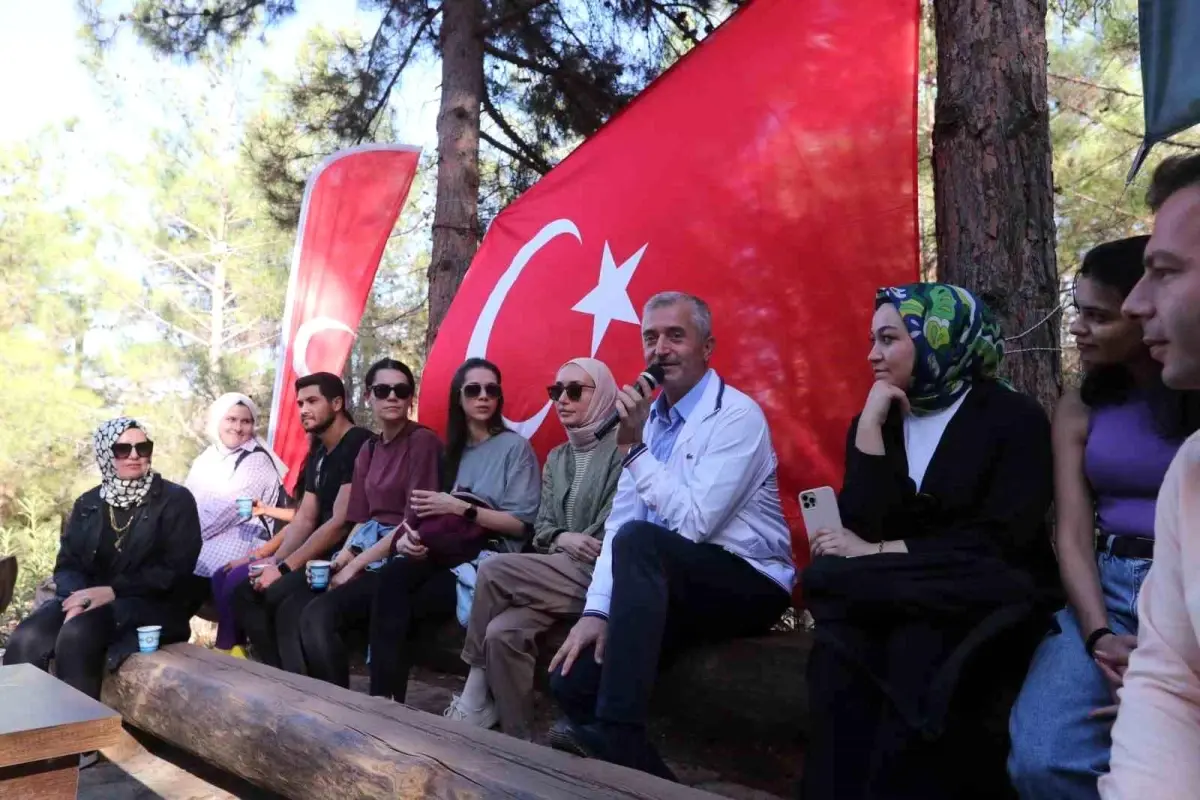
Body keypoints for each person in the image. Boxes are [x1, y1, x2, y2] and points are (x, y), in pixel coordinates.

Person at [800, 283, 1059, 800]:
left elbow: (998, 542)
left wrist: (873, 554)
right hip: (903, 590)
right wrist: (872, 427)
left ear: (937, 337)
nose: (873, 354)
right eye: (872, 339)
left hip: (981, 587)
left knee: (913, 643)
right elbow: (866, 524)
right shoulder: (878, 419)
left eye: (889, 339)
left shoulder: (1013, 418)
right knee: (835, 641)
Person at [545, 292, 795, 779]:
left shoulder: (736, 416)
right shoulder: (652, 419)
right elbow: (620, 521)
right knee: (569, 680)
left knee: (642, 540)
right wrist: (596, 612)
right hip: (670, 582)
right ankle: (644, 777)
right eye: (651, 337)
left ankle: (621, 732)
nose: (661, 349)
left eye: (676, 336)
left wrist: (634, 450)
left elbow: (695, 524)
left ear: (707, 347)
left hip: (747, 579)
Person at [1008, 237, 1200, 798]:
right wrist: (1097, 635)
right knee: (1042, 759)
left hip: (1187, 586)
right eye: (1078, 313)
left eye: (1098, 316)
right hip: (1106, 591)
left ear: (1146, 313)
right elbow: (1071, 532)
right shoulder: (1080, 403)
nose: (1077, 329)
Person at [444, 357, 623, 738]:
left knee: (494, 569)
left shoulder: (622, 452)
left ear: (604, 394)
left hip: (599, 579)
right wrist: (561, 538)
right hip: (555, 572)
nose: (562, 400)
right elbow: (542, 527)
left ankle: (473, 690)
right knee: (501, 635)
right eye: (556, 391)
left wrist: (570, 541)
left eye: (574, 391)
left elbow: (611, 529)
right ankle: (518, 742)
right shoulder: (558, 457)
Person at [1100, 156, 1200, 799]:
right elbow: (1170, 681)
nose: (1135, 305)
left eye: (1163, 272)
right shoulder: (1192, 470)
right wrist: (1095, 631)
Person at [368, 357, 540, 702]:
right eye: (473, 389)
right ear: (459, 398)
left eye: (492, 389)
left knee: (413, 607)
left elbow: (521, 525)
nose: (483, 396)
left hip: (488, 559)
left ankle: (391, 704)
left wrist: (461, 508)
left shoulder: (514, 448)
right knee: (391, 578)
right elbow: (429, 515)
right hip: (445, 551)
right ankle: (380, 701)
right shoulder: (452, 454)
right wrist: (411, 542)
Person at [3, 418, 201, 700]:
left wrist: (110, 592)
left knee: (77, 635)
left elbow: (175, 570)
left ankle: (77, 739)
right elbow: (68, 563)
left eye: (142, 447)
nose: (134, 455)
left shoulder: (175, 500)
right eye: (123, 449)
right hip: (87, 598)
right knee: (27, 637)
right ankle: (20, 731)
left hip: (152, 603)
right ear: (106, 453)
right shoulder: (89, 503)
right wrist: (78, 598)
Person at [294, 359, 442, 687]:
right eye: (382, 390)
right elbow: (360, 519)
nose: (392, 397)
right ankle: (330, 702)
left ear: (410, 399)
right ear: (368, 397)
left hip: (404, 553)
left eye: (401, 390)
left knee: (320, 617)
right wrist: (341, 559)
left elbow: (413, 521)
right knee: (306, 611)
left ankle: (357, 710)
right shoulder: (370, 449)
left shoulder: (422, 442)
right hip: (368, 547)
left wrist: (353, 565)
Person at [231, 373, 373, 669]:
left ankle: (306, 690)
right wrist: (275, 562)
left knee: (283, 602)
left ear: (337, 403)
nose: (303, 409)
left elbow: (340, 523)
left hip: (345, 557)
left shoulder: (358, 443)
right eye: (299, 403)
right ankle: (281, 677)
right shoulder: (319, 451)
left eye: (312, 401)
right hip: (314, 555)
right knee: (246, 592)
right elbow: (306, 517)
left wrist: (283, 568)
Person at [181, 393, 286, 655]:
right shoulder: (207, 457)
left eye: (245, 421)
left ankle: (230, 648)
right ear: (218, 420)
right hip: (204, 536)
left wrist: (184, 535)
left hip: (245, 539)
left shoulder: (257, 460)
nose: (238, 428)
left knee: (187, 569)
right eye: (231, 419)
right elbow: (185, 499)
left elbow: (228, 511)